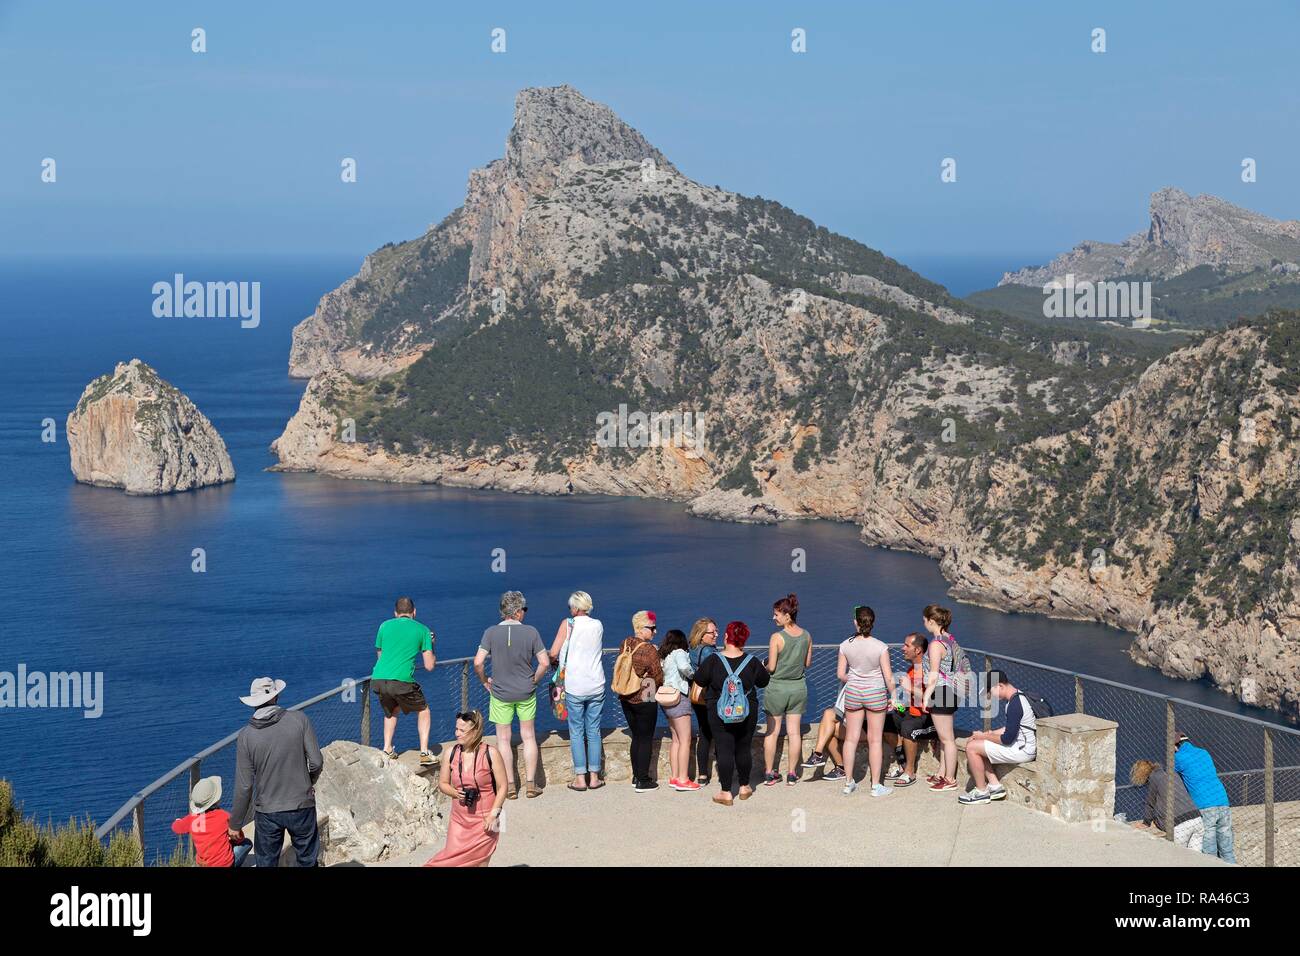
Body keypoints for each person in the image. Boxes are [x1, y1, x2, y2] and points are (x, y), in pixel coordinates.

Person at [228, 676, 324, 868]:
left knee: (267, 863)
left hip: (267, 811)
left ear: (253, 703)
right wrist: (307, 782)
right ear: (275, 697)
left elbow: (245, 786)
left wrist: (236, 823)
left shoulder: (246, 737)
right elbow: (316, 762)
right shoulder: (299, 720)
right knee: (307, 860)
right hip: (301, 804)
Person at [475, 591, 550, 800]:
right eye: (524, 610)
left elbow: (478, 662)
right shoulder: (531, 632)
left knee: (504, 739)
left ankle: (509, 786)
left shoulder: (490, 633)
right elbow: (544, 662)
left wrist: (484, 681)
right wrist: (534, 680)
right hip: (526, 691)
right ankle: (531, 785)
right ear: (517, 612)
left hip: (499, 693)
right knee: (528, 736)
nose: (525, 613)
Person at [692, 621, 770, 806]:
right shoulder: (751, 662)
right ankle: (744, 787)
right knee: (743, 747)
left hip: (718, 710)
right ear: (744, 639)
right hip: (747, 711)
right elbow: (764, 682)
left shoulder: (713, 660)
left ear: (727, 637)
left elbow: (700, 680)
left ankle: (726, 792)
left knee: (724, 748)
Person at [425, 710, 507, 867]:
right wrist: (455, 793)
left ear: (475, 731)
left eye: (462, 730)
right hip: (459, 819)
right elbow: (443, 784)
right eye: (456, 729)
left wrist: (493, 815)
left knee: (481, 862)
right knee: (450, 860)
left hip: (489, 817)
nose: (457, 733)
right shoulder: (450, 753)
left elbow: (503, 787)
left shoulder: (492, 753)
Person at [549, 591, 606, 792]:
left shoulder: (568, 624)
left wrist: (554, 659)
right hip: (596, 683)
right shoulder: (598, 624)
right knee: (593, 730)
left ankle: (580, 779)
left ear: (575, 607)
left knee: (576, 731)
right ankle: (595, 777)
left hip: (575, 685)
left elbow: (554, 652)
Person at [370, 596, 436, 765]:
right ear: (414, 612)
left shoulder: (384, 626)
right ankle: (424, 752)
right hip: (402, 680)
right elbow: (429, 665)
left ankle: (387, 748)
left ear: (395, 613)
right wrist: (431, 643)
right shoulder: (423, 630)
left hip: (378, 678)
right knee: (424, 710)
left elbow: (380, 655)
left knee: (391, 711)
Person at [838, 606, 894, 797]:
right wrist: (893, 696)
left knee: (851, 738)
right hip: (876, 692)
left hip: (853, 692)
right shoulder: (881, 646)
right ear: (872, 623)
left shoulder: (845, 645)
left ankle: (848, 782)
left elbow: (840, 674)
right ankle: (876, 785)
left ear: (855, 621)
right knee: (875, 739)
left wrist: (855, 679)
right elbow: (888, 677)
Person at [959, 670, 1037, 804]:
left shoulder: (1015, 704)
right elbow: (1010, 729)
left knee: (971, 748)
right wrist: (989, 734)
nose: (992, 696)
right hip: (1022, 746)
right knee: (978, 743)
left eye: (991, 691)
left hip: (1022, 750)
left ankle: (981, 792)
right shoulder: (1017, 698)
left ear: (1000, 686)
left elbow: (1007, 739)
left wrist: (984, 736)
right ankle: (995, 786)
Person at [763, 593, 812, 787]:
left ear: (787, 615)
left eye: (776, 614)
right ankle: (792, 773)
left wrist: (763, 665)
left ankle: (769, 773)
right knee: (794, 733)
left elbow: (772, 667)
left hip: (777, 688)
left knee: (772, 732)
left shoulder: (776, 637)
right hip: (798, 688)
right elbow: (807, 663)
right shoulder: (807, 635)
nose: (774, 618)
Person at [882, 632, 938, 787]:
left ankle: (910, 772)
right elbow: (912, 701)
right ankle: (902, 764)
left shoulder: (928, 671)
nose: (903, 648)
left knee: (908, 727)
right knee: (886, 722)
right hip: (913, 712)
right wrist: (897, 704)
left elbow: (934, 700)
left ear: (918, 650)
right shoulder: (911, 669)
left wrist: (910, 688)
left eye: (907, 645)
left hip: (930, 719)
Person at [617, 610, 664, 793]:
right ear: (640, 628)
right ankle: (643, 780)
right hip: (646, 694)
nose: (655, 632)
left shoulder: (625, 643)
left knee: (636, 736)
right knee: (645, 738)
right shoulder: (649, 649)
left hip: (626, 695)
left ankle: (636, 775)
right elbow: (657, 677)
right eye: (652, 628)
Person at [1174, 733, 1236, 863]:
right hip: (1222, 799)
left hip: (1204, 804)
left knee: (1209, 851)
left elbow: (1171, 775)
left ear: (1175, 746)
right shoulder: (1204, 752)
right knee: (1227, 848)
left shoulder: (1178, 758)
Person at [921, 604, 960, 793]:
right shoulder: (949, 641)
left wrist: (926, 696)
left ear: (931, 621)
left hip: (941, 692)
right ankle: (942, 772)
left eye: (925, 620)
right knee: (945, 738)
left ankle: (950, 779)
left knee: (948, 739)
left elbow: (934, 674)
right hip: (951, 691)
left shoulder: (936, 644)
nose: (924, 623)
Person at [171, 775, 251, 868]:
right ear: (216, 800)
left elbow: (176, 827)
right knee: (247, 843)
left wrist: (178, 820)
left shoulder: (192, 819)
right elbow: (239, 838)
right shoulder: (224, 816)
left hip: (203, 864)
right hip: (224, 864)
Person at [1129, 759, 1204, 850]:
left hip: (1179, 825)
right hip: (1197, 818)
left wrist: (1146, 822)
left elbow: (1150, 803)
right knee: (1196, 858)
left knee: (1178, 858)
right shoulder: (1170, 773)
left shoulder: (1154, 778)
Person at [658, 628, 698, 791]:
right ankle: (683, 779)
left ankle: (675, 777)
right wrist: (694, 675)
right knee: (685, 740)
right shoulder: (679, 652)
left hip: (666, 698)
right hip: (679, 698)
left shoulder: (664, 656)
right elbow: (684, 668)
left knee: (675, 740)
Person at [687, 618, 720, 785]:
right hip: (710, 696)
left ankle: (702, 775)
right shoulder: (709, 652)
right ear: (701, 635)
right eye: (712, 632)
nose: (716, 635)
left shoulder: (691, 648)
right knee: (719, 732)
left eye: (716, 631)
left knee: (704, 733)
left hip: (696, 695)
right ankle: (723, 771)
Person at [805, 704, 848, 781]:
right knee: (828, 718)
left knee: (828, 726)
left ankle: (817, 755)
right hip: (854, 724)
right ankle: (818, 754)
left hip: (867, 729)